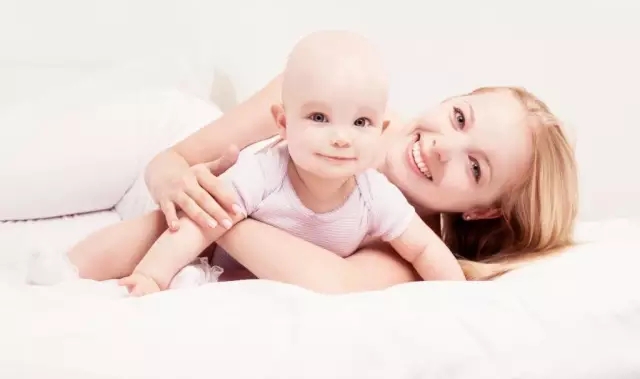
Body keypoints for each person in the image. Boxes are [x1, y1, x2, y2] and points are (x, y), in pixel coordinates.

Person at [47, 38, 577, 293]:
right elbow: (171, 159)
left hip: (229, 207)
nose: (443, 147)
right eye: (459, 117)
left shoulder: (404, 240)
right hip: (204, 167)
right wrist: (183, 184)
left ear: (482, 212)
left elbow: (333, 281)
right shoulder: (323, 98)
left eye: (476, 168)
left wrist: (227, 210)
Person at [112, 31, 464, 296]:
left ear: (379, 129)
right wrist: (151, 276)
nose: (342, 138)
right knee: (145, 231)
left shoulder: (377, 195)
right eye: (320, 118)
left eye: (360, 123)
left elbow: (424, 248)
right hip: (189, 177)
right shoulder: (264, 170)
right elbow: (202, 221)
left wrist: (462, 298)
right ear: (282, 124)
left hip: (254, 274)